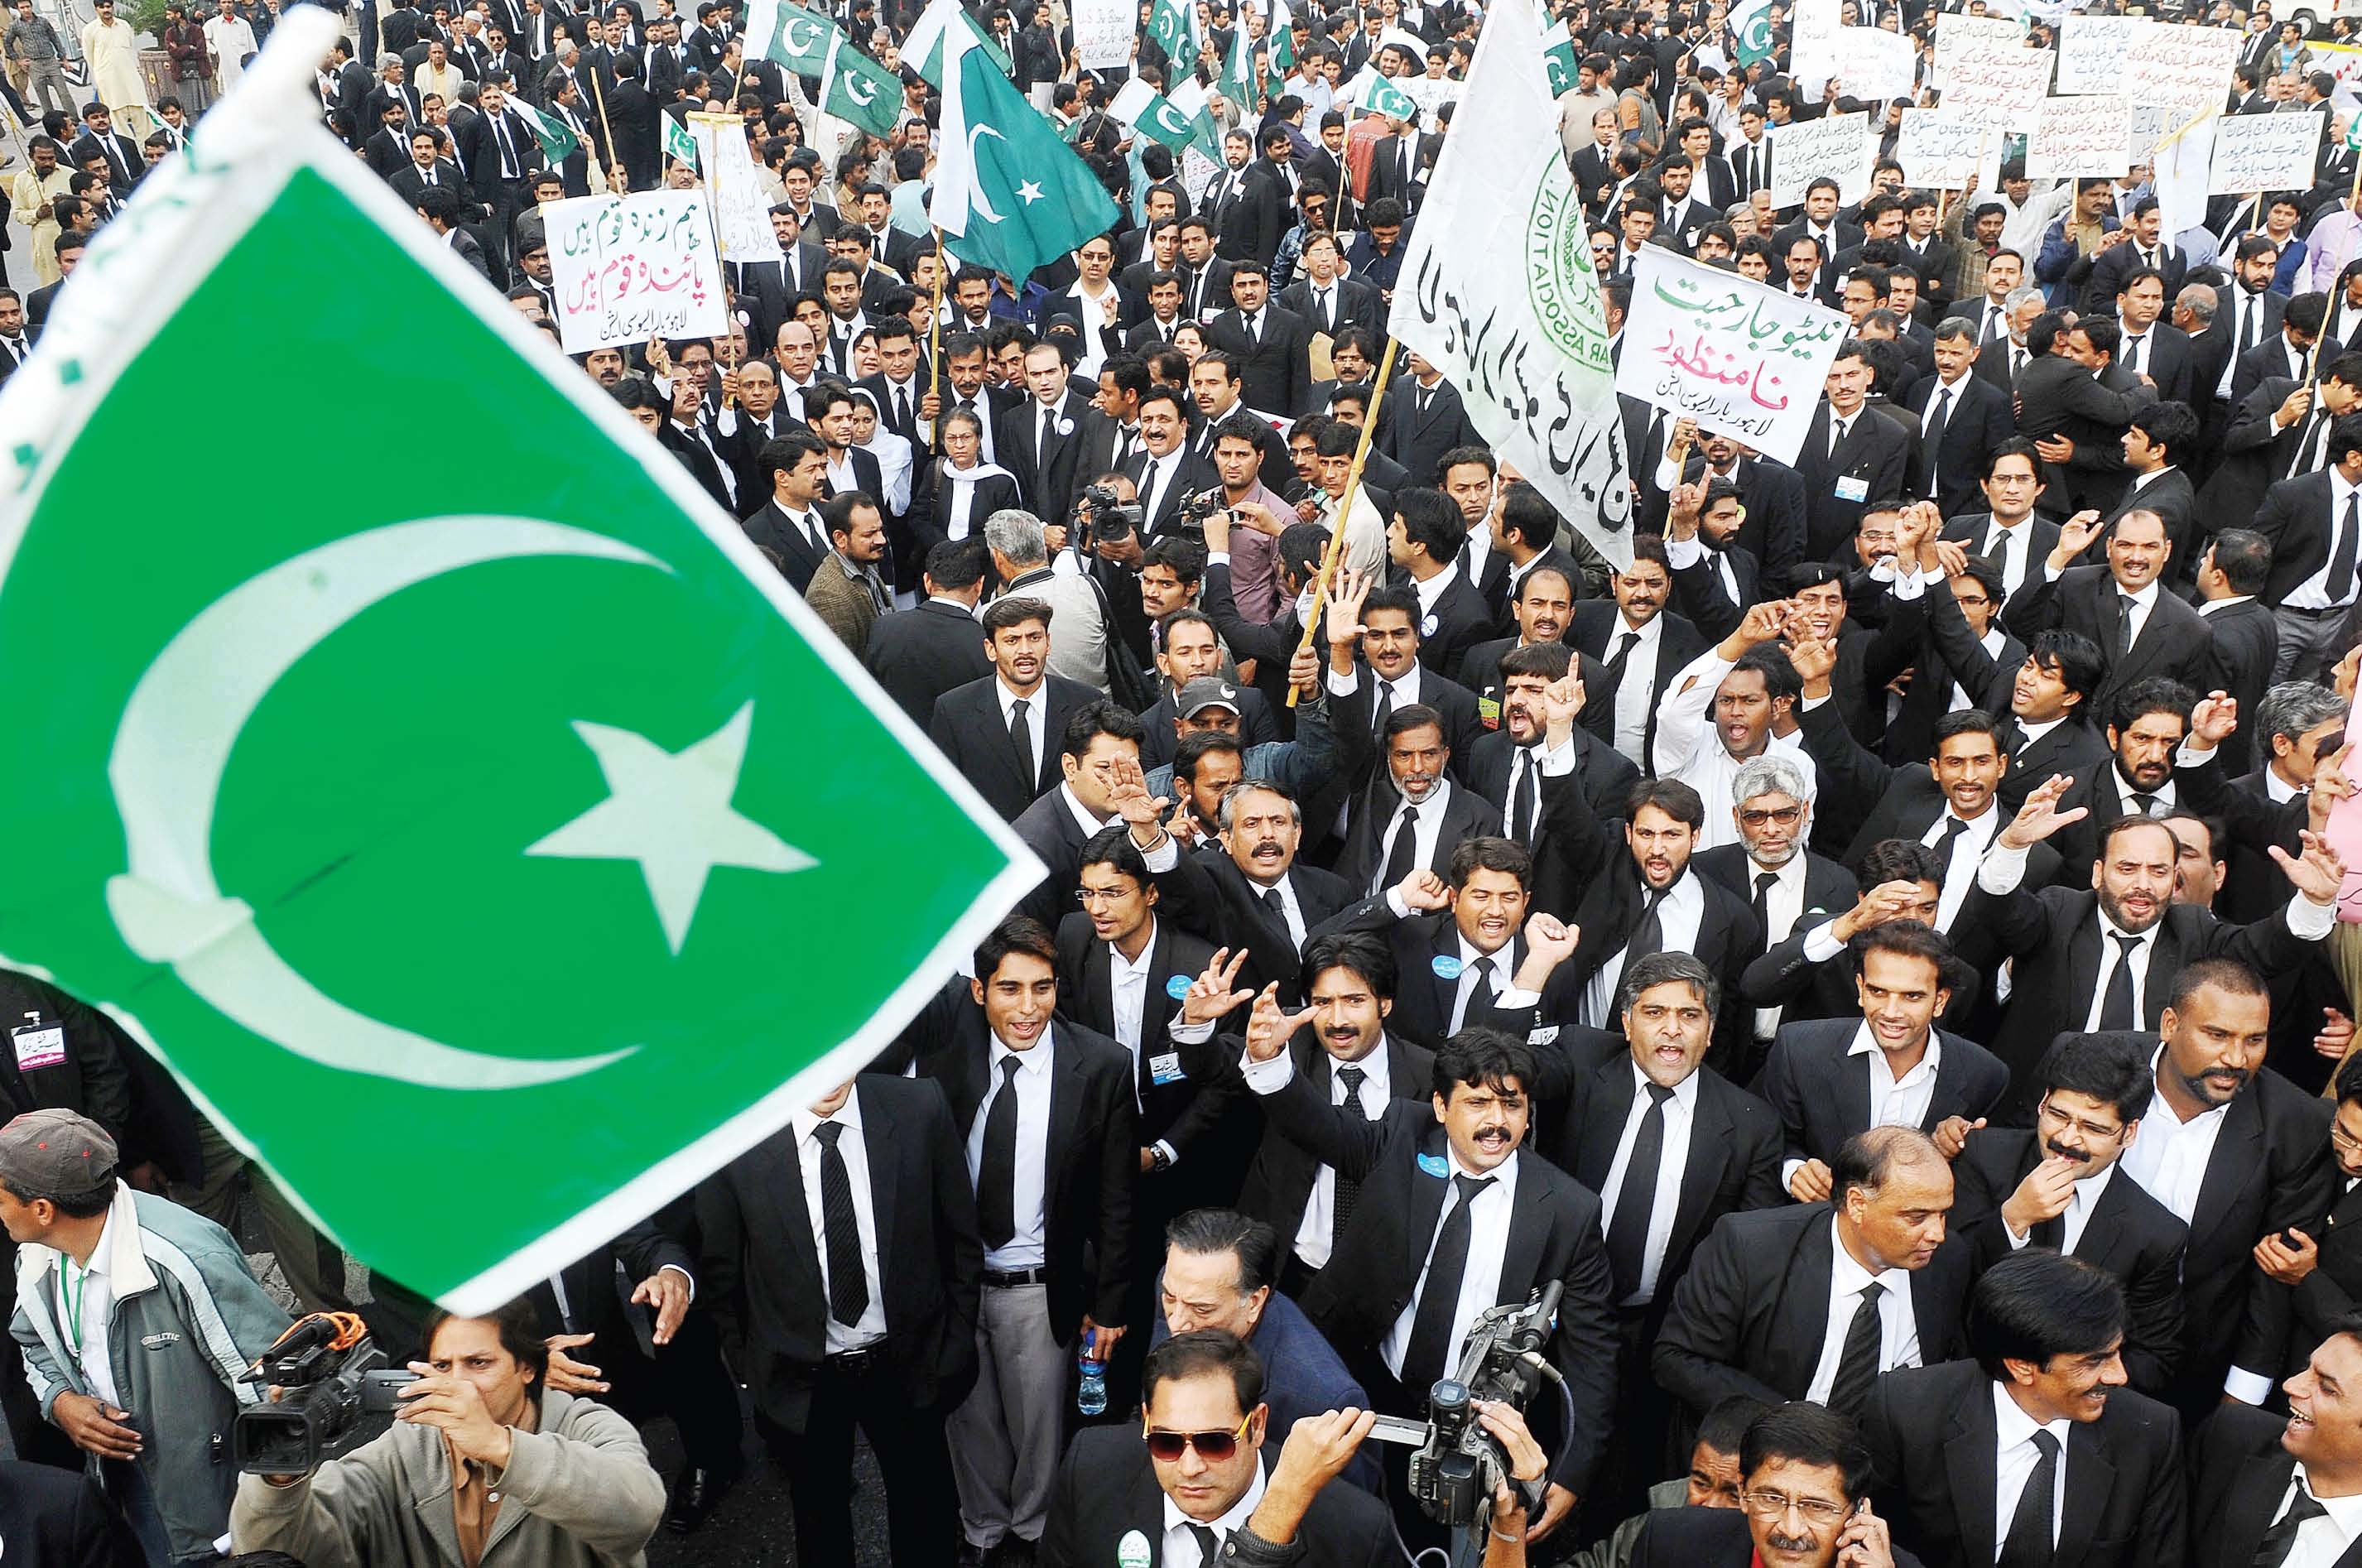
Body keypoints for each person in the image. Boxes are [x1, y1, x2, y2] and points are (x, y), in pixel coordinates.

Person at [880, 916, 1137, 1563]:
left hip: (1038, 1287)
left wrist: (1108, 1304)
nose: (1028, 1008)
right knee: (969, 1422)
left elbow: (1116, 1199)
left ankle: (1033, 1534)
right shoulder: (941, 1058)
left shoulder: (1102, 1065)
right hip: (955, 1284)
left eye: (1042, 989)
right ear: (978, 992)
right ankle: (982, 1531)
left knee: (1040, 1429)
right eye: (1010, 989)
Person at [693, 1067, 982, 1568]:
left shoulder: (918, 1109)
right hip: (802, 1374)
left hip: (908, 1359)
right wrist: (755, 1368)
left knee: (925, 1519)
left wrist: (951, 1343)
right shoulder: (735, 1138)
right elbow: (724, 1274)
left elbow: (958, 1235)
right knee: (820, 1526)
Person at [1, 1109, 291, 1567]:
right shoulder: (37, 1256)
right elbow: (33, 1343)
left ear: (42, 1209)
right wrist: (60, 1400)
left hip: (221, 1515)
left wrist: (263, 1510)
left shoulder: (187, 1258)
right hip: (123, 1487)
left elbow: (273, 1386)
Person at [229, 1297, 666, 1568]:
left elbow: (636, 1516)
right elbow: (281, 1555)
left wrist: (500, 1446)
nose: (456, 1383)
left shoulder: (585, 1425)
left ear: (529, 1368)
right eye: (442, 1367)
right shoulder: (406, 1446)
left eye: (479, 1364)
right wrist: (279, 1478)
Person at [1860, 1250, 2187, 1568]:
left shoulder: (2150, 1433)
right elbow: (1876, 1542)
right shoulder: (1908, 1411)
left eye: (2117, 1353)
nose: (2120, 1376)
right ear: (2022, 1368)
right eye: (2093, 1361)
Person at [1654, 1126, 1972, 1424]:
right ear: (1857, 1204)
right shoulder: (1752, 1248)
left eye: (1943, 1214)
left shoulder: (1949, 1261)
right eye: (1917, 1217)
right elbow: (1679, 1359)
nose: (1937, 1234)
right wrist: (1789, 1426)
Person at [1948, 1033, 2189, 1395]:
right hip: (1970, 1383)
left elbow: (2155, 1357)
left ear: (2129, 1133)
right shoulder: (1984, 1157)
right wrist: (2012, 1220)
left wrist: (2070, 1389)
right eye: (2060, 1116)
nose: (2069, 1139)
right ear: (2043, 1103)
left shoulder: (2156, 1233)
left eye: (2093, 1128)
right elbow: (1940, 1281)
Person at [1037, 1329, 1398, 1568]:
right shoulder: (1091, 1467)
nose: (1190, 1467)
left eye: (1214, 1442)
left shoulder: (1357, 1533)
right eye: (1166, 1441)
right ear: (1146, 1421)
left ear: (1257, 1425)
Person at [1147, 1208, 1378, 1494]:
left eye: (1202, 1310)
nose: (1177, 1323)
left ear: (1254, 1302)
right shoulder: (1184, 1286)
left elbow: (1347, 1512)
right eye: (1169, 1298)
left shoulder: (1321, 1398)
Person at [1628, 1402, 1919, 1568]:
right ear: (1743, 1492)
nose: (1791, 1529)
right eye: (1771, 1499)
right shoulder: (1670, 1544)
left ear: (1857, 1512)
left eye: (1817, 1507)